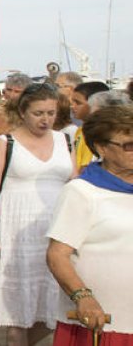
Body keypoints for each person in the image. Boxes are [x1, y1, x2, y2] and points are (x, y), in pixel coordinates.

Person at [0, 83, 76, 346]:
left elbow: (75, 184)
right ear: (23, 112)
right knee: (17, 316)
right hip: (15, 233)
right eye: (39, 113)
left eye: (51, 112)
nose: (46, 119)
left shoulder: (64, 139)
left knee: (56, 311)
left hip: (55, 231)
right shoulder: (6, 142)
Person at [45, 104, 133, 345]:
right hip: (101, 324)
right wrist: (83, 297)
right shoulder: (81, 192)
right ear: (102, 147)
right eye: (129, 145)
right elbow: (57, 255)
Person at [68, 82, 110, 169]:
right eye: (72, 102)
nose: (72, 106)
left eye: (78, 103)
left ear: (94, 104)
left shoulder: (95, 133)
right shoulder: (80, 130)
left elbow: (86, 166)